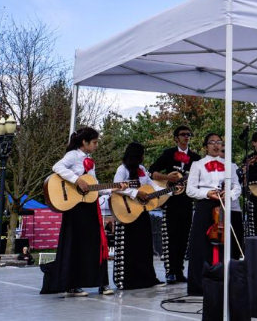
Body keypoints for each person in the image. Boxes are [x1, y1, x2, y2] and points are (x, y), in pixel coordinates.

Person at [41, 127, 125, 296]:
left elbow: (93, 186)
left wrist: (114, 189)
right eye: (94, 142)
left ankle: (100, 282)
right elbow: (57, 166)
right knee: (76, 245)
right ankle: (73, 285)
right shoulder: (73, 155)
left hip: (89, 206)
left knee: (96, 244)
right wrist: (76, 179)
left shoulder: (89, 160)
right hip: (75, 207)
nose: (96, 145)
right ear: (84, 142)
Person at [185, 133, 242, 296]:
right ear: (206, 146)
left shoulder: (230, 164)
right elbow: (190, 190)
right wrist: (207, 193)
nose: (216, 145)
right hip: (205, 205)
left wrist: (228, 195)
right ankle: (200, 285)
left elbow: (237, 188)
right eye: (212, 142)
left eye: (219, 142)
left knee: (226, 244)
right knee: (201, 245)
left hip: (224, 205)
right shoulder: (197, 164)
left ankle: (225, 282)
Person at [149, 125, 201, 284]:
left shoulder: (195, 158)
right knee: (170, 237)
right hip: (170, 201)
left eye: (188, 134)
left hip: (186, 201)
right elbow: (152, 172)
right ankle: (170, 272)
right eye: (183, 134)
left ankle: (179, 272)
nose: (186, 137)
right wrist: (167, 178)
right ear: (176, 138)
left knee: (184, 238)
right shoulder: (169, 153)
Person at [112, 142, 164, 290]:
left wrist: (170, 190)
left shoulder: (142, 169)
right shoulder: (122, 169)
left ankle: (147, 278)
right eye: (142, 154)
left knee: (145, 246)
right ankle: (130, 280)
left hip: (141, 211)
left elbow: (152, 185)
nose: (143, 157)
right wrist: (135, 193)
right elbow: (116, 186)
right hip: (127, 211)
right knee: (130, 247)